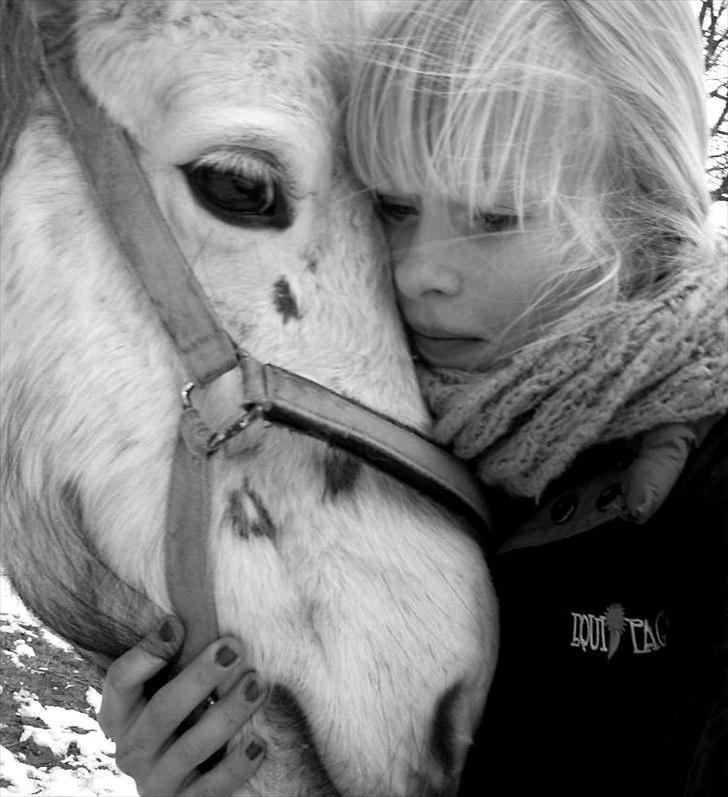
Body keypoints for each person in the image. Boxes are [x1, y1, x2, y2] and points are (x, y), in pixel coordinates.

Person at [99, 1, 728, 795]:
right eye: (396, 207)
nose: (416, 267)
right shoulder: (389, 421)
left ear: (646, 217)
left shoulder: (708, 493)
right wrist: (232, 771)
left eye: (496, 216)